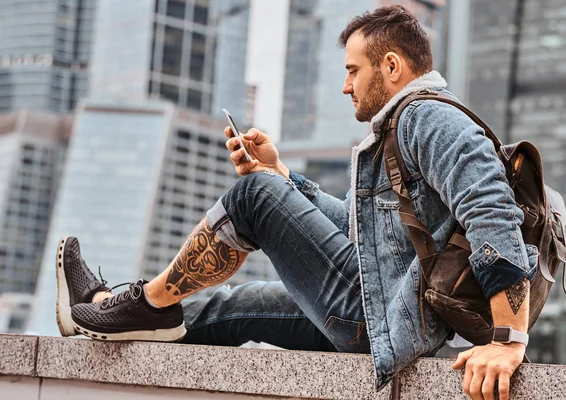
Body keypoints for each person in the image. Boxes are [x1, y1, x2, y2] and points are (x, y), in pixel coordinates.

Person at [53, 5, 536, 400]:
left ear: (391, 67)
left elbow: (491, 209)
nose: (346, 85)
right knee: (233, 305)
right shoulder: (399, 128)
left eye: (353, 70)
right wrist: (281, 174)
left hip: (389, 321)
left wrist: (507, 340)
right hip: (378, 303)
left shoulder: (427, 116)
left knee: (253, 197)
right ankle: (103, 310)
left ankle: (144, 303)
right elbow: (354, 230)